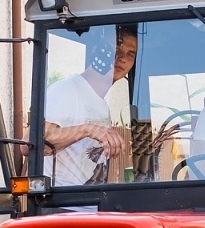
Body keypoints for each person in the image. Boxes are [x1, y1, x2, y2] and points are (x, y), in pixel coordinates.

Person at [42, 25, 136, 186]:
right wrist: (87, 129)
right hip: (60, 203)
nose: (122, 58)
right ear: (96, 50)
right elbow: (35, 143)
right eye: (116, 49)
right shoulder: (67, 90)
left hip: (87, 202)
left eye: (130, 54)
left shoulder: (102, 106)